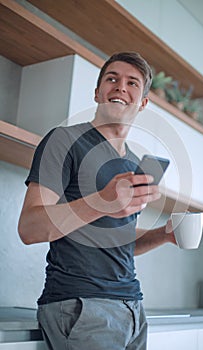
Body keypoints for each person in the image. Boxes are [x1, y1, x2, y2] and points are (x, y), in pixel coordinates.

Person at [18, 52, 176, 350]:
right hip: (82, 307)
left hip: (133, 309)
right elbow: (30, 228)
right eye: (112, 79)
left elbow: (117, 240)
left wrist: (164, 235)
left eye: (132, 82)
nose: (120, 87)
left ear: (142, 103)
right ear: (97, 92)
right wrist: (103, 200)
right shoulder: (63, 141)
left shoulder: (132, 164)